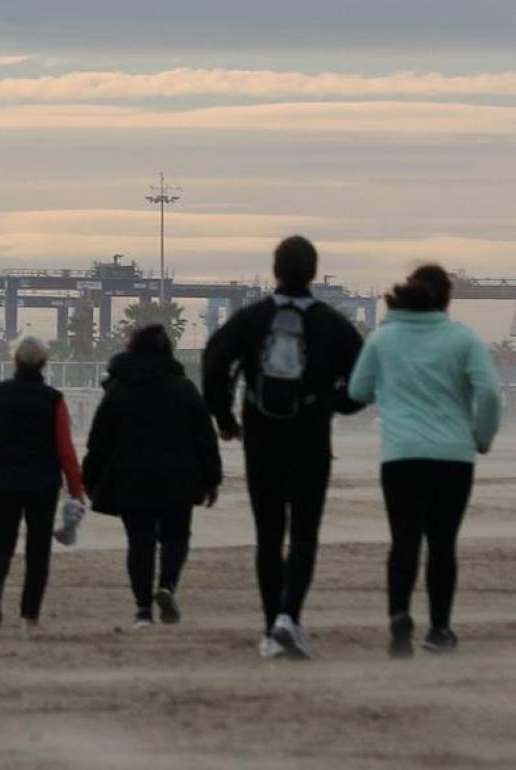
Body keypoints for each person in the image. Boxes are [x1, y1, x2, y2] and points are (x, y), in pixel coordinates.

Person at [202, 235, 365, 660]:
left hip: (262, 438)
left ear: (275, 270)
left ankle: (270, 629)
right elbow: (365, 375)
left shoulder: (252, 319)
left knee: (268, 536)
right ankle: (290, 617)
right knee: (305, 534)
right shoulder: (331, 323)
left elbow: (214, 359)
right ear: (313, 271)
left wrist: (224, 418)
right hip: (311, 438)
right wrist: (338, 405)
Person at [347, 265, 500, 658]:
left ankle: (399, 618)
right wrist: (481, 437)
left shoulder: (383, 339)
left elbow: (358, 390)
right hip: (453, 456)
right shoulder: (463, 339)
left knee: (404, 542)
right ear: (446, 299)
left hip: (401, 457)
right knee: (442, 544)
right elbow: (489, 393)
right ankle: (439, 629)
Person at [83, 325, 222, 629]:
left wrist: (89, 479)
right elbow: (205, 438)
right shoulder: (184, 388)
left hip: (130, 479)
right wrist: (212, 479)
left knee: (140, 543)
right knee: (176, 536)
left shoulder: (118, 390)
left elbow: (99, 440)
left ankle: (143, 610)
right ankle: (167, 586)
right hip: (179, 477)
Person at [0, 336, 84, 630]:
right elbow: (65, 449)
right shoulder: (54, 400)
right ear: (44, 363)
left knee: (0, 541)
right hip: (42, 484)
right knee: (38, 549)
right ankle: (29, 615)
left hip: (3, 481)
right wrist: (76, 489)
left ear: (14, 360)